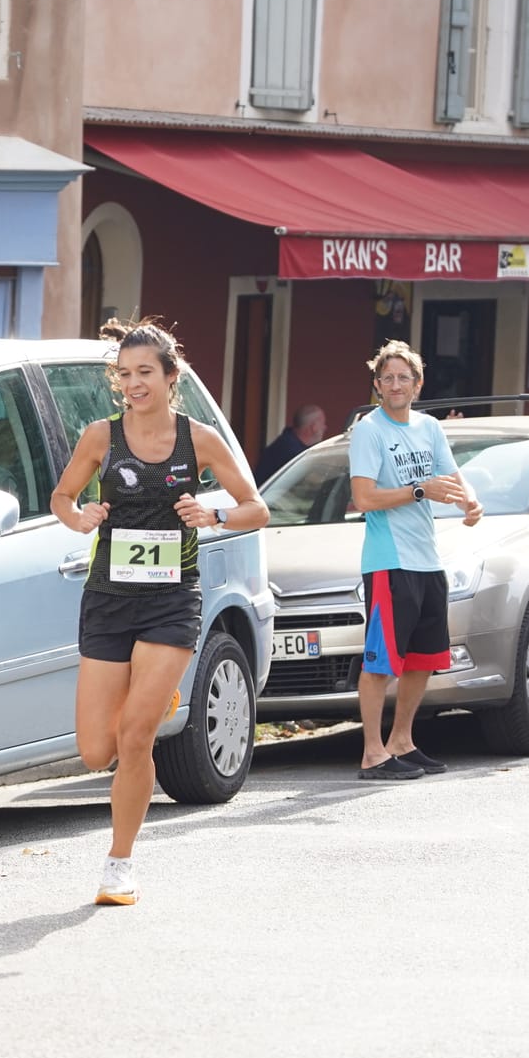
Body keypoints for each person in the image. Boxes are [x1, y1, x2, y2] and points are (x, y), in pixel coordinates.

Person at [51, 318, 269, 907]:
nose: (133, 384)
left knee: (136, 733)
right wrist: (80, 519)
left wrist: (213, 515)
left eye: (145, 373)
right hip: (108, 599)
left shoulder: (198, 440)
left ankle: (118, 865)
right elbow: (63, 498)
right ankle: (151, 694)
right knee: (97, 749)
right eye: (124, 375)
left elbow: (257, 508)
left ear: (172, 377)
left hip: (173, 600)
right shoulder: (101, 436)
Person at [348, 341, 481, 780]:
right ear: (377, 386)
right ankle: (372, 753)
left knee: (423, 658)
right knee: (381, 662)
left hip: (427, 559)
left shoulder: (428, 428)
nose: (396, 384)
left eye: (404, 377)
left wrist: (471, 502)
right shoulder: (370, 430)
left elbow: (452, 476)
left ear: (418, 385)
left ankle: (401, 741)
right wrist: (419, 490)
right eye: (387, 378)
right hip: (390, 561)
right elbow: (364, 498)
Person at [253, 404, 328, 486]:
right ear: (314, 427)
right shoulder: (290, 452)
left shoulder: (289, 442)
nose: (325, 427)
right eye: (323, 423)